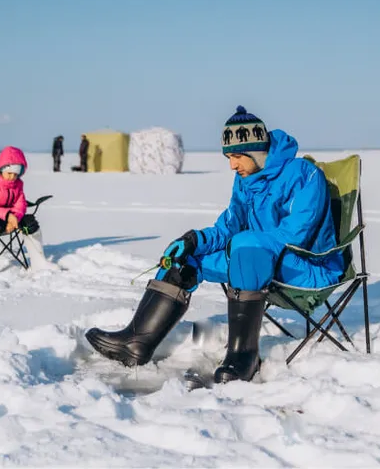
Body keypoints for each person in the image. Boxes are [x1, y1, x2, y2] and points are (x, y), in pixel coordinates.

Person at [85, 106, 340, 384]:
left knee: (247, 245)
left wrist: (242, 245)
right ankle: (136, 343)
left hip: (308, 266)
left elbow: (295, 236)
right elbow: (229, 226)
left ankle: (244, 355)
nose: (232, 165)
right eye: (229, 158)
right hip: (252, 259)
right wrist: (195, 240)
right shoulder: (244, 180)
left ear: (258, 151)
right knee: (186, 260)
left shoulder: (305, 175)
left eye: (237, 157)